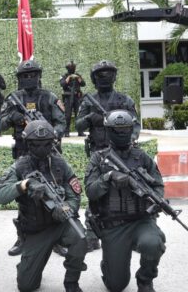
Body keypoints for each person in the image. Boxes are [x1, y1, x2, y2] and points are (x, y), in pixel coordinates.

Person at [0, 120, 86, 292]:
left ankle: (72, 282)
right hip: (36, 229)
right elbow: (1, 196)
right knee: (26, 286)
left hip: (61, 224)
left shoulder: (60, 164)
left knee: (80, 238)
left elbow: (74, 195)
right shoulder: (19, 166)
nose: (41, 148)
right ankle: (28, 265)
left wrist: (66, 208)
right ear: (28, 144)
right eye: (36, 144)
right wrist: (25, 184)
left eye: (46, 144)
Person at [84, 110, 165, 292]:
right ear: (108, 131)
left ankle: (145, 280)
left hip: (141, 221)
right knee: (116, 285)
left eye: (125, 129)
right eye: (116, 130)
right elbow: (91, 192)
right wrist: (108, 177)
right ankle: (110, 263)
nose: (121, 133)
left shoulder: (141, 157)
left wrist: (156, 201)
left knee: (153, 243)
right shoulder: (99, 158)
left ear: (131, 129)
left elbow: (158, 185)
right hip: (113, 225)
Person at [0, 60, 66, 256]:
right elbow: (0, 124)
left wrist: (49, 133)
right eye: (25, 76)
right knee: (24, 194)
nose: (29, 78)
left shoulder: (49, 97)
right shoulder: (13, 99)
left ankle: (56, 237)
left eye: (33, 75)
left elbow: (61, 123)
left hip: (49, 152)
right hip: (24, 152)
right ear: (19, 79)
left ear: (39, 76)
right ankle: (23, 236)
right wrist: (13, 118)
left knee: (54, 190)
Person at [75, 60, 140, 252]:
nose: (105, 77)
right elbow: (78, 125)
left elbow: (135, 125)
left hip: (122, 152)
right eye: (100, 74)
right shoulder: (89, 101)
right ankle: (92, 235)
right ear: (94, 78)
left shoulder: (124, 100)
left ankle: (132, 234)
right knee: (96, 193)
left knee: (129, 191)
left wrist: (129, 140)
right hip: (99, 153)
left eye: (108, 73)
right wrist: (90, 118)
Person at [59, 61, 86, 137]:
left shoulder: (77, 75)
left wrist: (78, 78)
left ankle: (80, 131)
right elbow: (62, 84)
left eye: (73, 67)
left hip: (77, 97)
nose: (72, 68)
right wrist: (69, 78)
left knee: (79, 114)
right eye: (71, 67)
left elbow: (83, 84)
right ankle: (66, 131)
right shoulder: (64, 76)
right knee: (67, 115)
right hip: (68, 97)